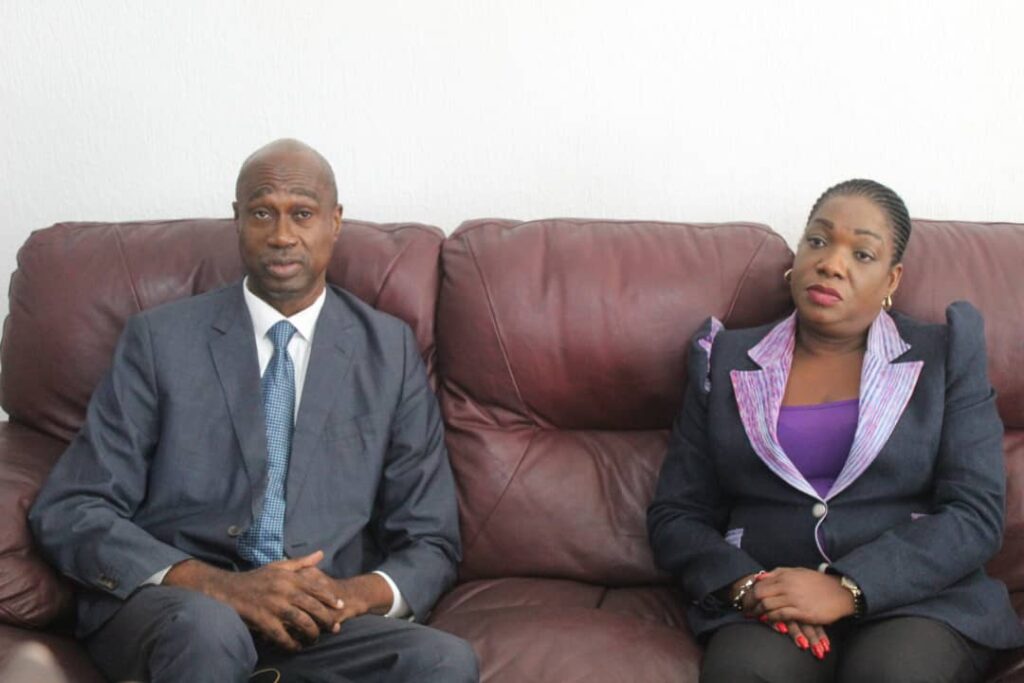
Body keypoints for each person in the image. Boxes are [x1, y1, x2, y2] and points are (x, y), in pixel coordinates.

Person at [29, 139, 478, 683]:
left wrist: (345, 597)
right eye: (263, 213)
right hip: (184, 607)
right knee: (208, 630)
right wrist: (221, 586)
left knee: (444, 662)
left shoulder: (389, 353)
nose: (282, 235)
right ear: (237, 220)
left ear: (335, 222)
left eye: (302, 214)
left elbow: (430, 539)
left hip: (318, 621)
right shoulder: (160, 341)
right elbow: (73, 506)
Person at [647, 179, 1024, 682]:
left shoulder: (944, 356)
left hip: (917, 598)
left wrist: (849, 587)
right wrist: (748, 587)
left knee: (893, 674)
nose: (831, 263)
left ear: (892, 279)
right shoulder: (725, 359)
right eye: (818, 241)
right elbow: (677, 514)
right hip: (773, 594)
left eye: (862, 254)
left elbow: (975, 513)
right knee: (747, 673)